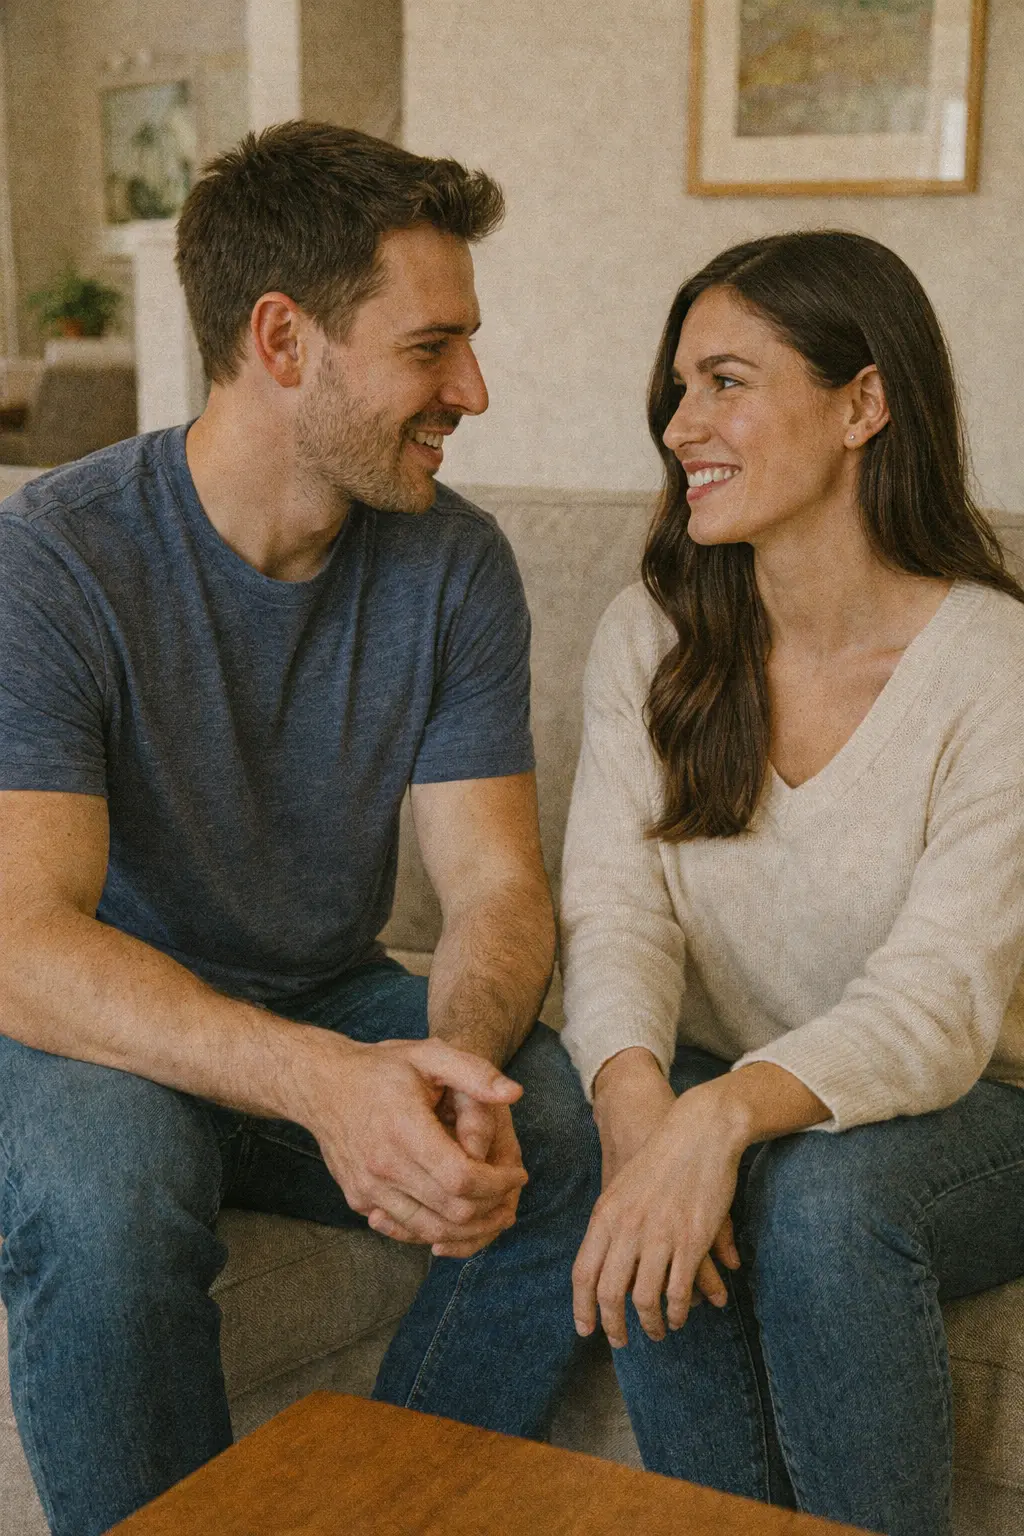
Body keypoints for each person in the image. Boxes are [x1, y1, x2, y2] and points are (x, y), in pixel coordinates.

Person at [0, 122, 598, 1536]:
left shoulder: (455, 562)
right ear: (283, 340)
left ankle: (374, 1511)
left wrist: (456, 1064)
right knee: (110, 1195)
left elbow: (497, 887)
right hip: (101, 1026)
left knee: (566, 1140)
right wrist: (327, 1085)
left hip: (327, 990)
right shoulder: (55, 558)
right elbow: (23, 941)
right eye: (431, 348)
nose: (474, 390)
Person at [559, 230, 1024, 1536]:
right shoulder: (652, 636)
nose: (679, 426)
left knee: (819, 1199)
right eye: (678, 387)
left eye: (726, 382)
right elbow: (616, 912)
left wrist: (717, 1120)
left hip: (985, 1103)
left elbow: (936, 1007)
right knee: (623, 1137)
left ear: (862, 404)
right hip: (751, 1087)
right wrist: (642, 1108)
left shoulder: (995, 669)